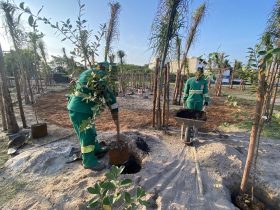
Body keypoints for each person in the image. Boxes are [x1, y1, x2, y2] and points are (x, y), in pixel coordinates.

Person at [67, 61, 120, 171]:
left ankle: (96, 149)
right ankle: (89, 161)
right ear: (106, 70)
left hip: (80, 109)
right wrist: (115, 113)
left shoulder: (87, 72)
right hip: (80, 110)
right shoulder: (100, 76)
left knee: (91, 131)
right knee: (87, 136)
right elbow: (109, 97)